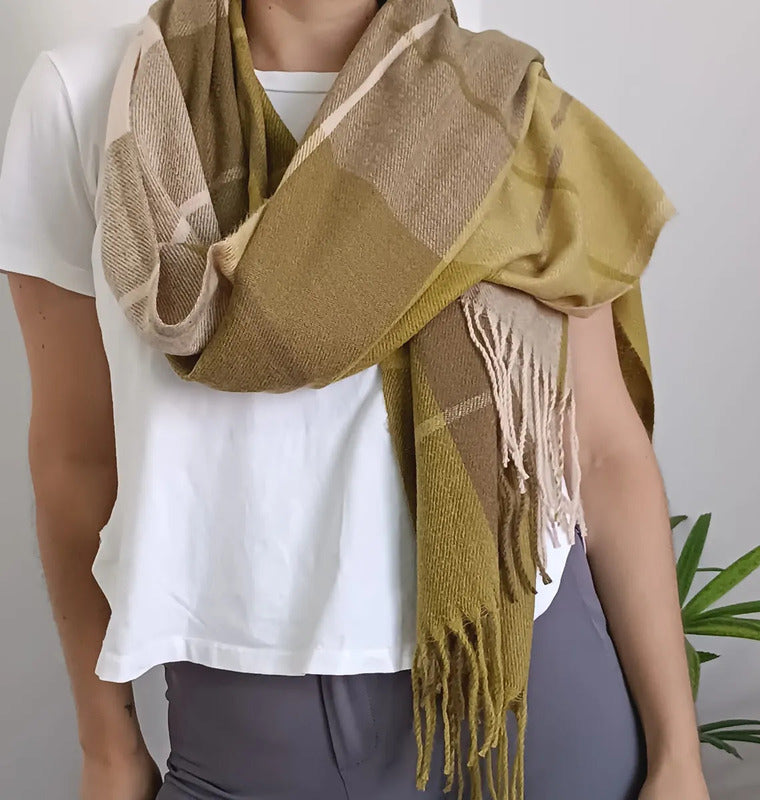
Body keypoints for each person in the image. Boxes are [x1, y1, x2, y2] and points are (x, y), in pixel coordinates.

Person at [2, 0, 710, 798]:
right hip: (259, 733)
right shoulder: (89, 100)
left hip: (532, 680)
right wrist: (108, 748)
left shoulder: (499, 103)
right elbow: (75, 461)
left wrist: (678, 754)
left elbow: (602, 449)